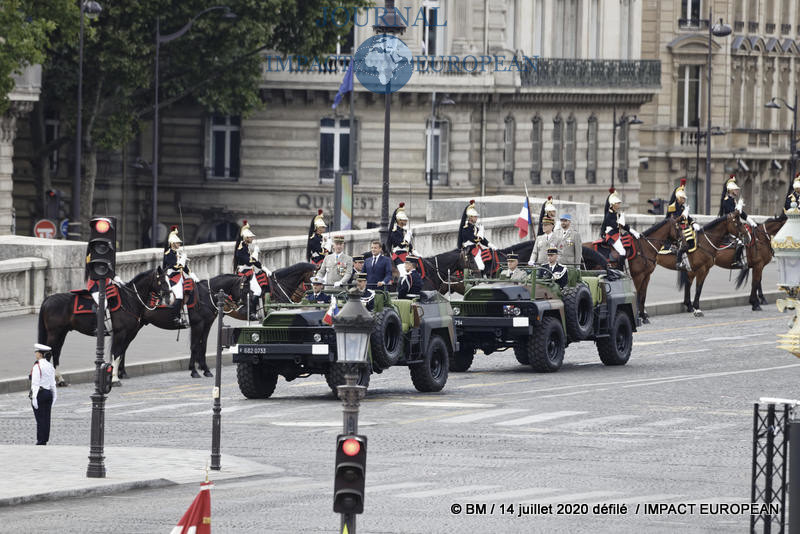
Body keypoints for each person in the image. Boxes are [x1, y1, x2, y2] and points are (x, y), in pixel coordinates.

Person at [233, 221, 271, 320]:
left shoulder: (245, 247)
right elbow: (249, 262)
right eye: (250, 237)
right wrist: (255, 253)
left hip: (250, 271)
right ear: (246, 238)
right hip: (246, 273)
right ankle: (252, 312)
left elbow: (252, 261)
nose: (252, 239)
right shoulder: (241, 249)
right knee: (257, 291)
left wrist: (263, 267)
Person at [718, 175, 756, 268]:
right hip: (728, 225)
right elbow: (731, 215)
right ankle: (736, 261)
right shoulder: (726, 200)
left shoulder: (733, 200)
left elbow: (741, 213)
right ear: (730, 190)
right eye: (735, 189)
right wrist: (737, 209)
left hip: (735, 224)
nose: (737, 191)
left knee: (747, 235)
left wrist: (749, 220)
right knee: (740, 242)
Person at [162, 226, 193, 328]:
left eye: (179, 243)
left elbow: (184, 268)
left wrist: (192, 275)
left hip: (179, 277)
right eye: (177, 243)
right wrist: (182, 259)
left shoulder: (177, 253)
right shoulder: (168, 254)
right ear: (172, 243)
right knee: (179, 295)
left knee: (190, 291)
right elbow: (175, 267)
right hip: (172, 278)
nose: (179, 244)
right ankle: (175, 317)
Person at [664, 179, 698, 271]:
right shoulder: (672, 207)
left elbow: (688, 218)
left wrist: (693, 223)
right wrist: (683, 215)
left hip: (683, 227)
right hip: (674, 227)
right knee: (683, 239)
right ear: (678, 198)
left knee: (693, 237)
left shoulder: (682, 207)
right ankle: (678, 261)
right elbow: (673, 220)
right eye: (683, 198)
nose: (684, 199)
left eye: (684, 198)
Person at [600, 188, 640, 264]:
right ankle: (620, 269)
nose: (619, 204)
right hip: (612, 236)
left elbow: (623, 225)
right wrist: (621, 220)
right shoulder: (609, 215)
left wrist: (633, 232)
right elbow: (617, 226)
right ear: (613, 204)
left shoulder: (616, 213)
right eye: (617, 203)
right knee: (622, 252)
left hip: (617, 235)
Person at [457, 200, 496, 276]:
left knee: (489, 256)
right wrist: (481, 232)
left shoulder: (475, 227)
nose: (476, 218)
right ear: (470, 217)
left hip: (477, 249)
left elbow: (482, 240)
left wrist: (490, 244)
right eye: (475, 216)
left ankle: (486, 275)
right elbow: (475, 240)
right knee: (480, 265)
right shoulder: (465, 228)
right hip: (469, 251)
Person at [30, 343, 57, 445]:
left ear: (40, 354)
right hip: (48, 393)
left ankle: (40, 440)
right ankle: (45, 439)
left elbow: (35, 383)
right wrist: (54, 396)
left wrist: (34, 398)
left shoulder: (37, 366)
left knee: (40, 418)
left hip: (40, 394)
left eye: (36, 352)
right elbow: (52, 383)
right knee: (47, 418)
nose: (35, 354)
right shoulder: (50, 366)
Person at [386, 202, 415, 278]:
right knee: (404, 274)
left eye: (405, 220)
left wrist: (413, 251)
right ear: (399, 220)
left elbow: (409, 246)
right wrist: (407, 237)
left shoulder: (404, 230)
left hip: (407, 255)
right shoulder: (394, 231)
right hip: (399, 256)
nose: (405, 221)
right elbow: (401, 245)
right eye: (404, 220)